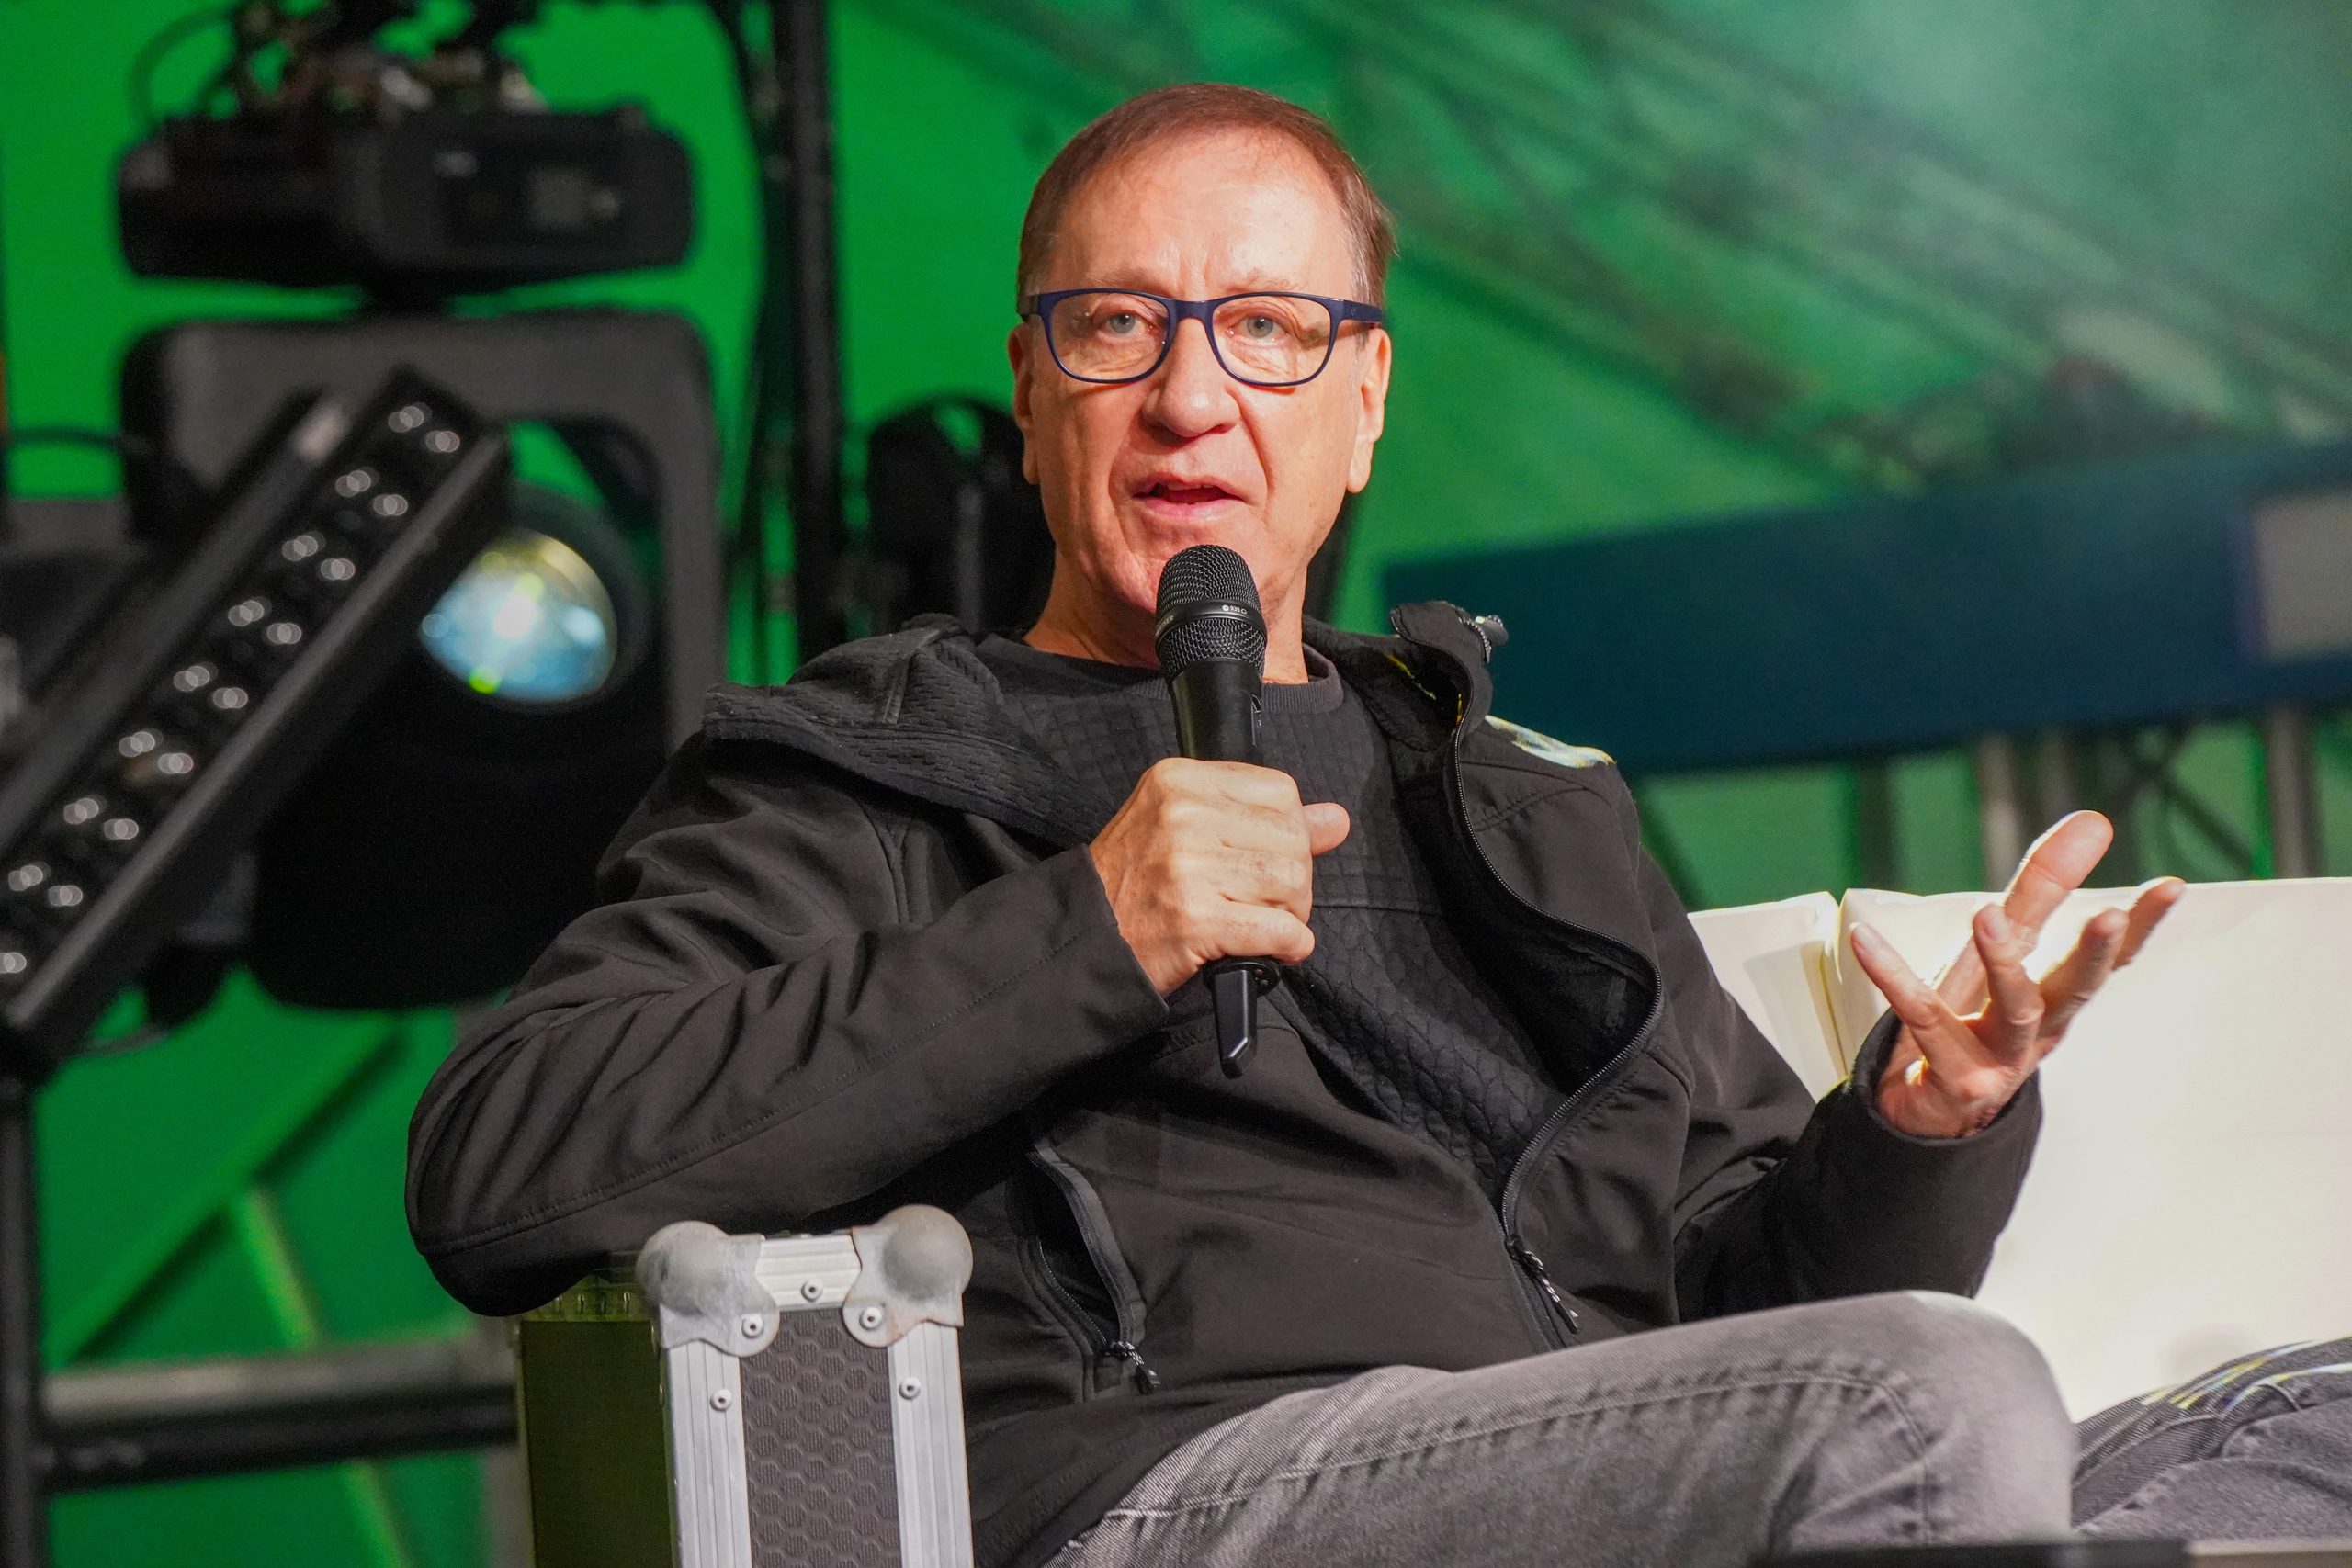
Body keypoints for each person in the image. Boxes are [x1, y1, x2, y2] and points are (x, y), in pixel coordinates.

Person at [407, 85, 2344, 1567]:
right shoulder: (870, 768)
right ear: (1028, 388)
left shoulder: (1523, 803)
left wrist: (1923, 1127)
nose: (1189, 399)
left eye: (1265, 328)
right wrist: (1092, 927)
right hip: (1171, 1491)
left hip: (1596, 1461)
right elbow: (500, 1170)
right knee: (1934, 1396)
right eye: (1116, 327)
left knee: (2309, 1413)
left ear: (1364, 397)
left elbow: (1763, 1322)